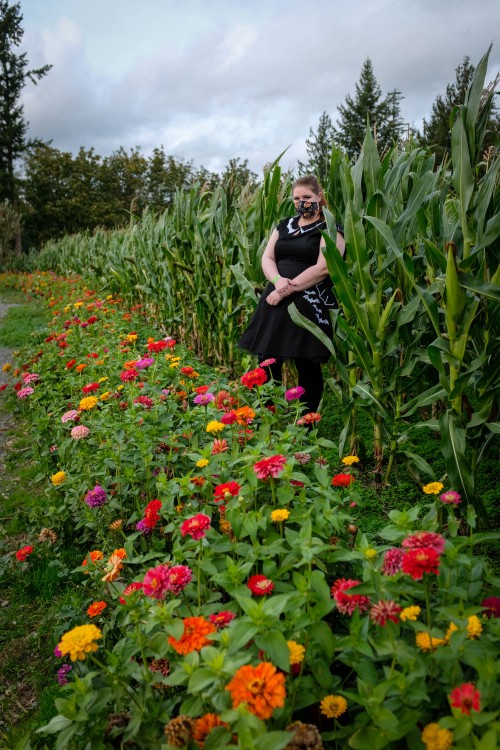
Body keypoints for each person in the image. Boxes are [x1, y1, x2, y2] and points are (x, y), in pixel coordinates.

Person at [238, 174, 345, 414]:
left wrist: (288, 288)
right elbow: (267, 257)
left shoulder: (330, 227)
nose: (302, 202)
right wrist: (277, 281)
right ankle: (268, 416)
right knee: (266, 360)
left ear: (319, 196)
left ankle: (306, 423)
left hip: (309, 301)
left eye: (307, 197)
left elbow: (325, 267)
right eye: (297, 198)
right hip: (274, 299)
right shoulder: (285, 225)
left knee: (306, 363)